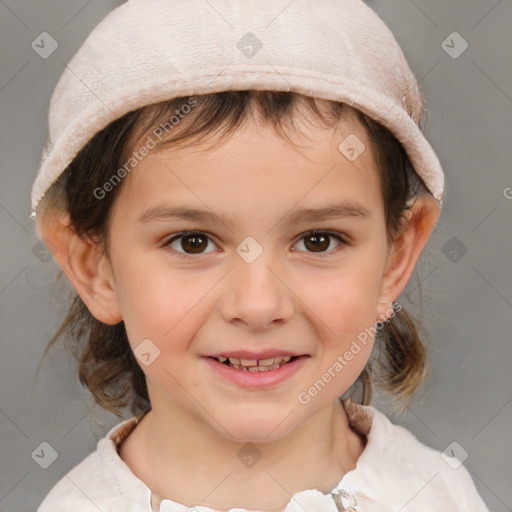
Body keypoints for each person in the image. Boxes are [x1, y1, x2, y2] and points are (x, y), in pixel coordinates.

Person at [30, 0, 490, 510]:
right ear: (94, 267)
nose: (257, 305)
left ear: (396, 256)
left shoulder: (440, 495)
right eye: (193, 242)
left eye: (318, 240)